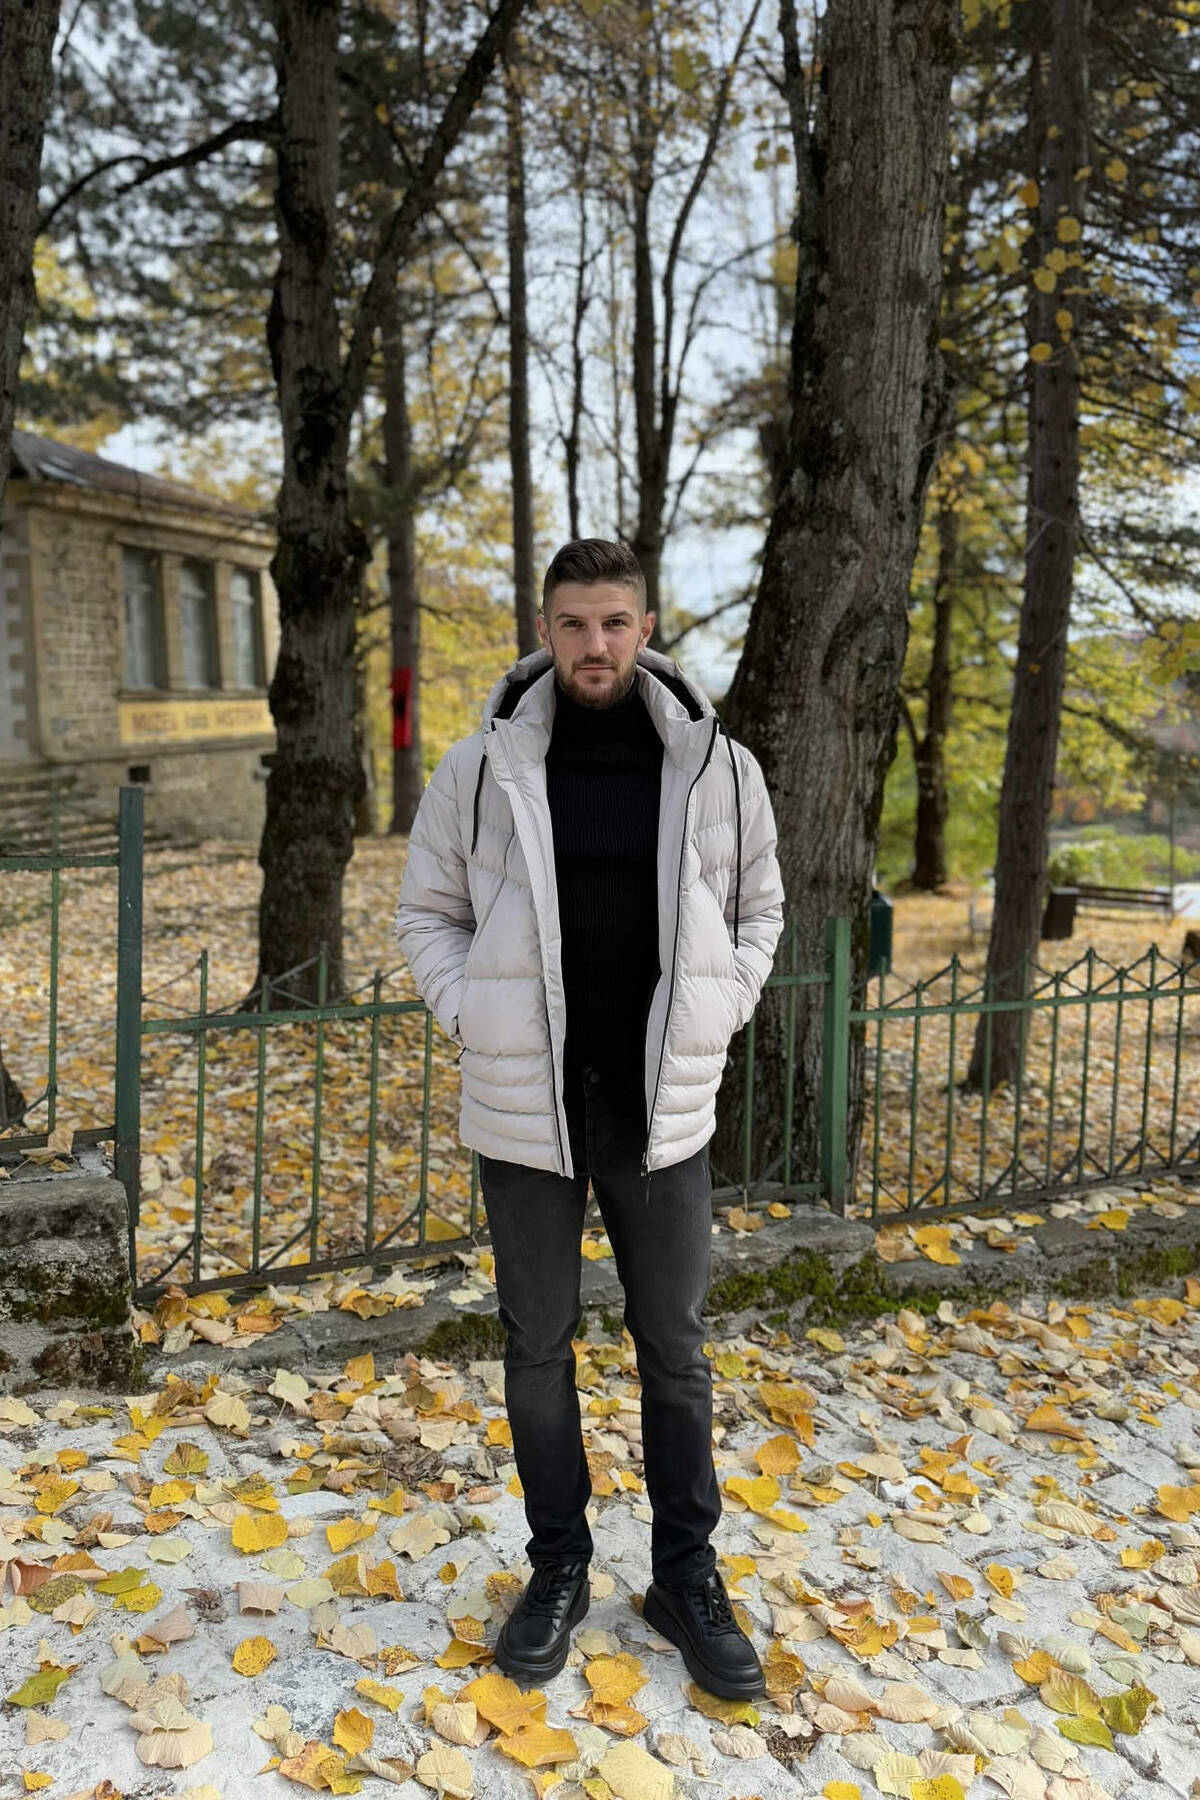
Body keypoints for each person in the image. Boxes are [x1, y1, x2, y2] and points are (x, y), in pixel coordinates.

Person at [394, 539, 785, 1698]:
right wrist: (471, 1011)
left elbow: (760, 908)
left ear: (647, 628)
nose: (595, 644)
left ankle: (685, 1576)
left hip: (663, 1113)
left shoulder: (717, 766)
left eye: (615, 622)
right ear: (546, 630)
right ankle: (558, 1565)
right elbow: (427, 912)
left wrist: (722, 1004)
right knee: (537, 1351)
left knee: (676, 1352)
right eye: (573, 624)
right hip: (529, 1110)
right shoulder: (480, 768)